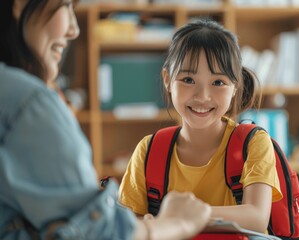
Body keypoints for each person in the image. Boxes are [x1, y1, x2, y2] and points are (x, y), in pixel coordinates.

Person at [0, 0, 211, 239]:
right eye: (66, 4)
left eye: (218, 82)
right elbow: (102, 233)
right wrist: (176, 224)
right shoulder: (29, 103)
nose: (74, 29)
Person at [119, 19, 283, 234]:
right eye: (188, 79)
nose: (202, 96)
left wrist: (179, 217)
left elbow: (256, 218)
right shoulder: (148, 150)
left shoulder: (252, 143)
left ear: (235, 87)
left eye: (218, 82)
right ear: (168, 80)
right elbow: (127, 226)